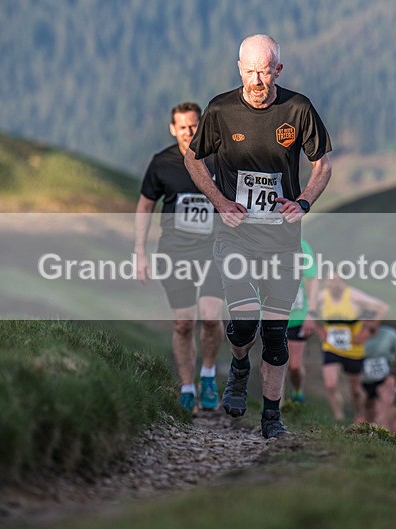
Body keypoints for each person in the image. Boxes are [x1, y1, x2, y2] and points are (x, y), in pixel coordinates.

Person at [184, 34, 332, 438]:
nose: (256, 78)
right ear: (239, 69)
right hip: (235, 237)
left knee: (275, 337)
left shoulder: (298, 109)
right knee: (245, 323)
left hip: (282, 241)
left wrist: (302, 203)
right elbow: (193, 159)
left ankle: (271, 418)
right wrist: (219, 201)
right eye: (249, 70)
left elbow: (322, 166)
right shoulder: (221, 109)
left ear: (278, 70)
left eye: (264, 70)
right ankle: (238, 368)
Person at [134, 102, 225, 413]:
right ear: (173, 129)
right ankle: (187, 387)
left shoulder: (218, 158)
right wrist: (139, 252)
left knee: (211, 315)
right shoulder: (162, 163)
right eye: (182, 126)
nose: (189, 131)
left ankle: (209, 375)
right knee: (184, 323)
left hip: (215, 249)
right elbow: (145, 206)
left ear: (202, 126)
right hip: (175, 251)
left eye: (194, 125)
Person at [315, 275, 389, 421]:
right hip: (331, 347)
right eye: (328, 280)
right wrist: (319, 330)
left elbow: (382, 307)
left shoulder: (354, 296)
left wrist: (369, 330)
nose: (330, 283)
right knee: (330, 384)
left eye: (334, 280)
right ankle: (339, 418)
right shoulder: (322, 297)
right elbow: (309, 309)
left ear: (343, 282)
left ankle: (358, 416)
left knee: (355, 390)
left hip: (353, 348)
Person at [285, 239, 319, 404]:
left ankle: (297, 390)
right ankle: (274, 408)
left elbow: (312, 280)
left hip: (297, 315)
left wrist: (311, 313)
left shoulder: (302, 245)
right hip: (269, 313)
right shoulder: (263, 240)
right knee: (272, 363)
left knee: (294, 366)